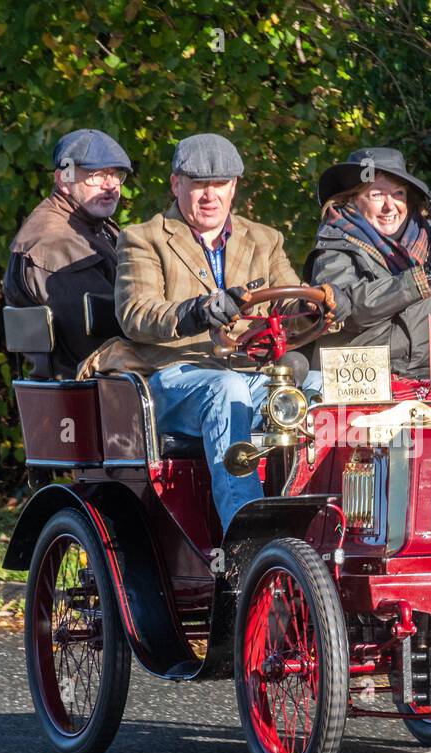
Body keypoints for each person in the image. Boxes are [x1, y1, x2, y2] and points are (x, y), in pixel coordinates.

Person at [79, 133, 333, 531]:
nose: (209, 194)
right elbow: (136, 314)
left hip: (250, 377)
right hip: (173, 380)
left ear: (234, 187)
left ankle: (319, 526)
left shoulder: (265, 239)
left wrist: (316, 307)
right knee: (224, 388)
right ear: (176, 184)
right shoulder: (144, 238)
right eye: (198, 184)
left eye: (219, 184)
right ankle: (245, 539)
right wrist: (197, 312)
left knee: (327, 386)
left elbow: (289, 307)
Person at [304, 147, 431, 398]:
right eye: (377, 195)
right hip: (361, 383)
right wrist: (417, 280)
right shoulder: (334, 244)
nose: (390, 206)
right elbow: (350, 310)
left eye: (398, 194)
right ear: (351, 199)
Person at [4, 129, 132, 378]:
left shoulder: (95, 226)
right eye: (96, 175)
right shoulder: (55, 242)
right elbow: (99, 340)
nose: (110, 185)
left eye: (116, 175)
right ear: (64, 180)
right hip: (88, 390)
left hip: (109, 379)